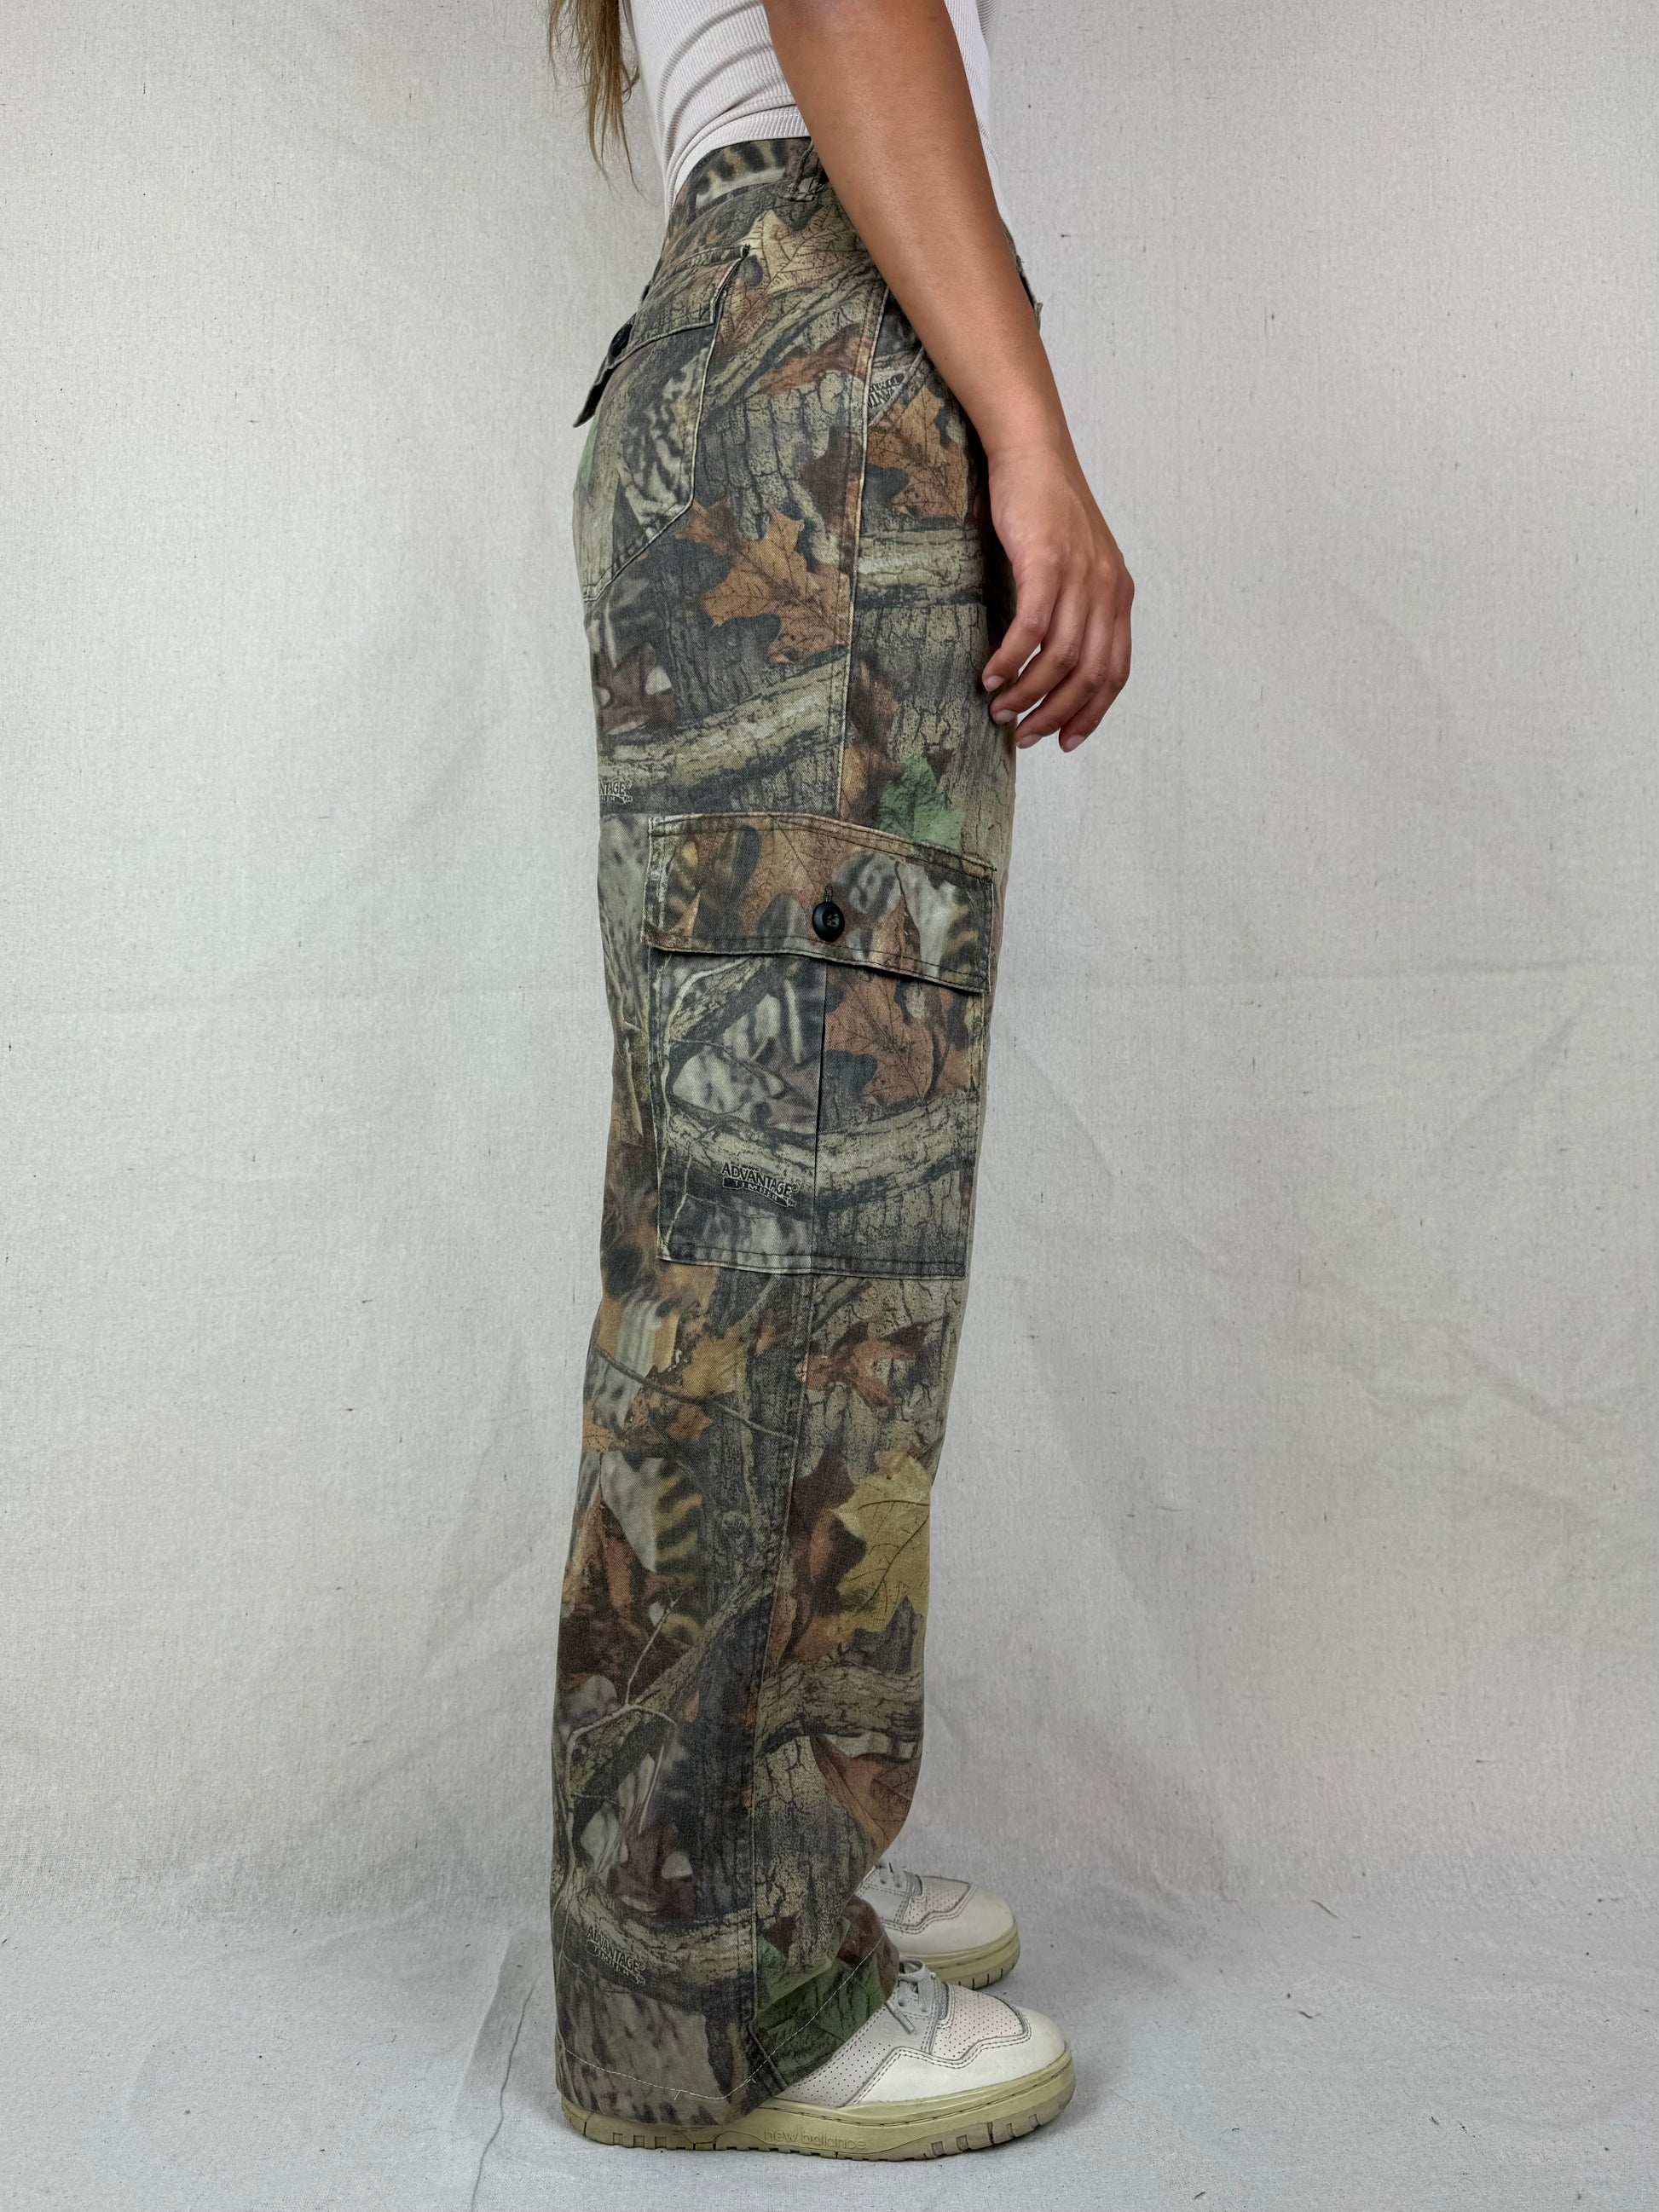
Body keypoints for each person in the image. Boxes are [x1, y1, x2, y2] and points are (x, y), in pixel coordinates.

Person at [546, 0, 1134, 2160]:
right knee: (788, 1210)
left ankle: (768, 1855)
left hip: (780, 358)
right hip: (819, 363)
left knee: (807, 1201)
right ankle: (710, 1983)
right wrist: (1029, 428)